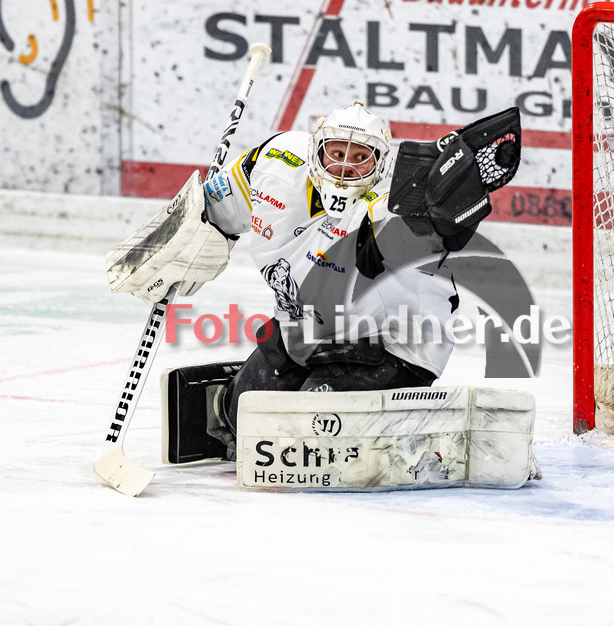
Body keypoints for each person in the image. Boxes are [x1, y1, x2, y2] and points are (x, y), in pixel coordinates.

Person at [197, 101, 459, 454]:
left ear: (380, 166)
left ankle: (429, 435)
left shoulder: (390, 204)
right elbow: (213, 212)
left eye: (360, 158)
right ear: (315, 152)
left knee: (311, 434)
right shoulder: (277, 164)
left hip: (396, 343)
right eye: (336, 152)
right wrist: (187, 239)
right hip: (310, 328)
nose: (345, 167)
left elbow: (415, 232)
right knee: (242, 414)